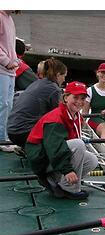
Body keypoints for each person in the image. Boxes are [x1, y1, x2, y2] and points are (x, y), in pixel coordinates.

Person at [25, 81, 98, 200]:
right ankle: (70, 189)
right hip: (41, 158)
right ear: (65, 98)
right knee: (79, 144)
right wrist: (67, 170)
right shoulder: (56, 118)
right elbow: (54, 147)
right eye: (75, 97)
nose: (79, 102)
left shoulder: (76, 116)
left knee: (92, 160)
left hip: (51, 156)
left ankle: (56, 180)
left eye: (83, 98)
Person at [7, 57, 67, 148]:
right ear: (58, 75)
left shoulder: (37, 83)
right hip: (22, 133)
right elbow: (59, 115)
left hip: (11, 130)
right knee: (58, 128)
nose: (64, 80)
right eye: (64, 76)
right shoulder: (54, 89)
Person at [83, 62, 105, 139]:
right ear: (98, 73)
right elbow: (85, 113)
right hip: (94, 118)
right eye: (102, 72)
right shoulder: (90, 90)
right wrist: (81, 127)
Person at [0, 10, 18, 152]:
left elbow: (9, 45)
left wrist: (14, 60)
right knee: (3, 104)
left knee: (9, 104)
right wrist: (6, 61)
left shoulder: (9, 19)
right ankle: (2, 139)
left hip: (10, 70)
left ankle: (5, 136)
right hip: (2, 69)